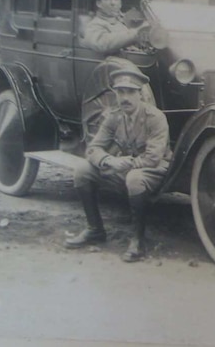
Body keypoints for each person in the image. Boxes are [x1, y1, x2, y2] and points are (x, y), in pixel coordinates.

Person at [64, 69, 171, 262]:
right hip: (123, 167)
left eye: (130, 92)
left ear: (140, 94)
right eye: (121, 92)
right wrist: (109, 160)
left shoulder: (155, 117)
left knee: (135, 178)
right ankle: (94, 229)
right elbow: (93, 148)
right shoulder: (114, 116)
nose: (125, 98)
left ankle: (138, 240)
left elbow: (153, 158)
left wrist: (124, 164)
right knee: (82, 171)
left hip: (155, 170)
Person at [80, 0, 151, 54]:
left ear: (120, 4)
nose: (113, 3)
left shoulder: (121, 20)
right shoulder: (94, 25)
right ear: (99, 3)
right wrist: (136, 33)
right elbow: (101, 44)